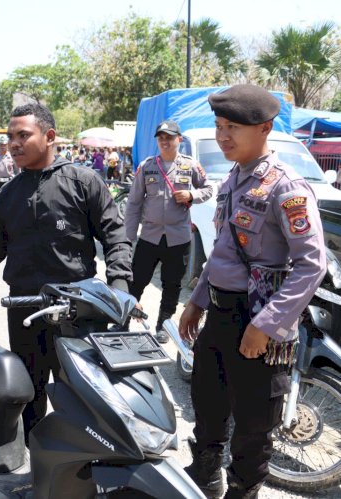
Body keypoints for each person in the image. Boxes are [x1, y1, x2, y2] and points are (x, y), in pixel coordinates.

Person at [178, 84, 326, 498]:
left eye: (234, 128)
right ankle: (204, 480)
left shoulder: (287, 188)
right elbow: (223, 251)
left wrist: (267, 325)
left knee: (252, 426)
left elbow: (312, 265)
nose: (223, 135)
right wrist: (196, 301)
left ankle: (242, 493)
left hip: (259, 320)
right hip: (221, 316)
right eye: (219, 126)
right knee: (207, 411)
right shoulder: (231, 181)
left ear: (265, 129)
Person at [0, 103, 133, 441]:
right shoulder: (8, 194)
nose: (14, 143)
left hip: (79, 312)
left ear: (49, 136)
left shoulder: (84, 181)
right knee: (29, 396)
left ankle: (86, 476)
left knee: (84, 397)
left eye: (23, 135)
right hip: (26, 312)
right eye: (10, 137)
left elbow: (115, 236)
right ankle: (36, 472)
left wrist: (119, 287)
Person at [125, 120, 213, 343]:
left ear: (179, 140)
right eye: (161, 137)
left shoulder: (190, 166)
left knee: (172, 284)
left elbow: (209, 188)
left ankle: (163, 324)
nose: (165, 141)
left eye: (169, 137)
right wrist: (128, 237)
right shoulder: (147, 167)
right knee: (136, 280)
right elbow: (134, 203)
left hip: (178, 238)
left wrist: (192, 196)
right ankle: (123, 318)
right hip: (150, 237)